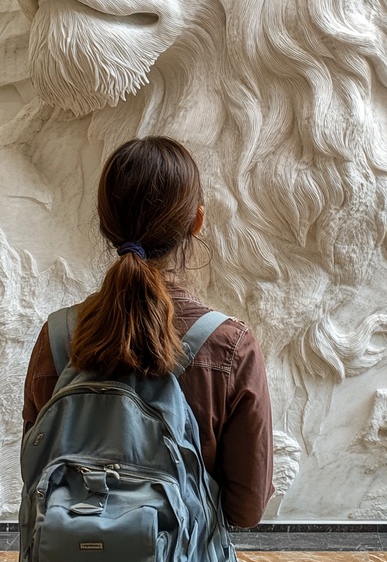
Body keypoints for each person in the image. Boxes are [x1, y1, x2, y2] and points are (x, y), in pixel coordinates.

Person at [22, 135, 274, 529]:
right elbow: (246, 509)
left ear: (107, 226)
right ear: (197, 221)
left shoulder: (56, 338)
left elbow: (35, 474)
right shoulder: (229, 346)